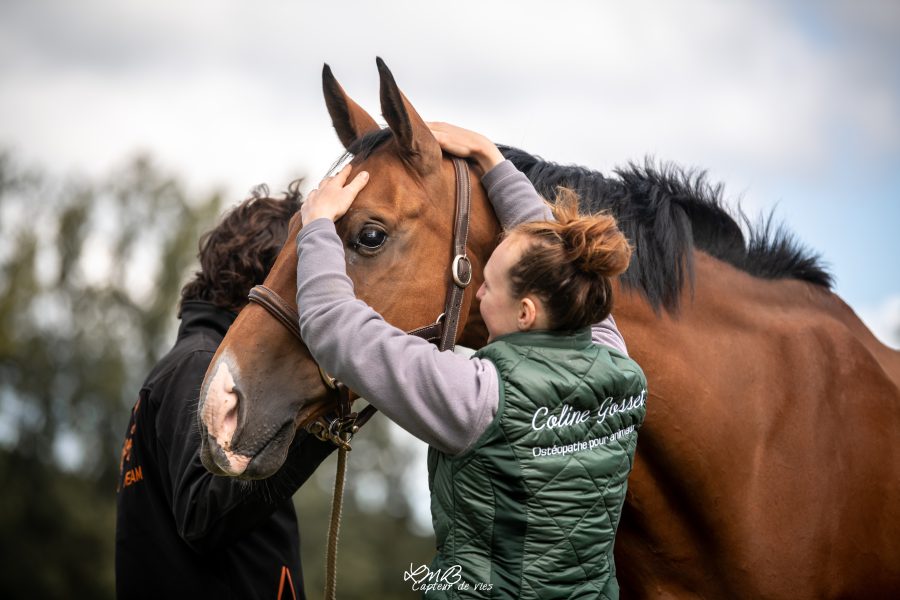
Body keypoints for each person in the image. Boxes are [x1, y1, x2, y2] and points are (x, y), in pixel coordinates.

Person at [295, 123, 648, 599]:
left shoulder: (479, 398)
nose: (477, 291)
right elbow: (559, 256)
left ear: (526, 312)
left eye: (490, 285)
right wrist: (488, 156)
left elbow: (332, 326)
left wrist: (317, 224)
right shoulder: (621, 370)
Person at [116, 188, 335, 600]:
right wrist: (317, 428)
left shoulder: (190, 362)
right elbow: (203, 515)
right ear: (269, 277)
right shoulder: (201, 365)